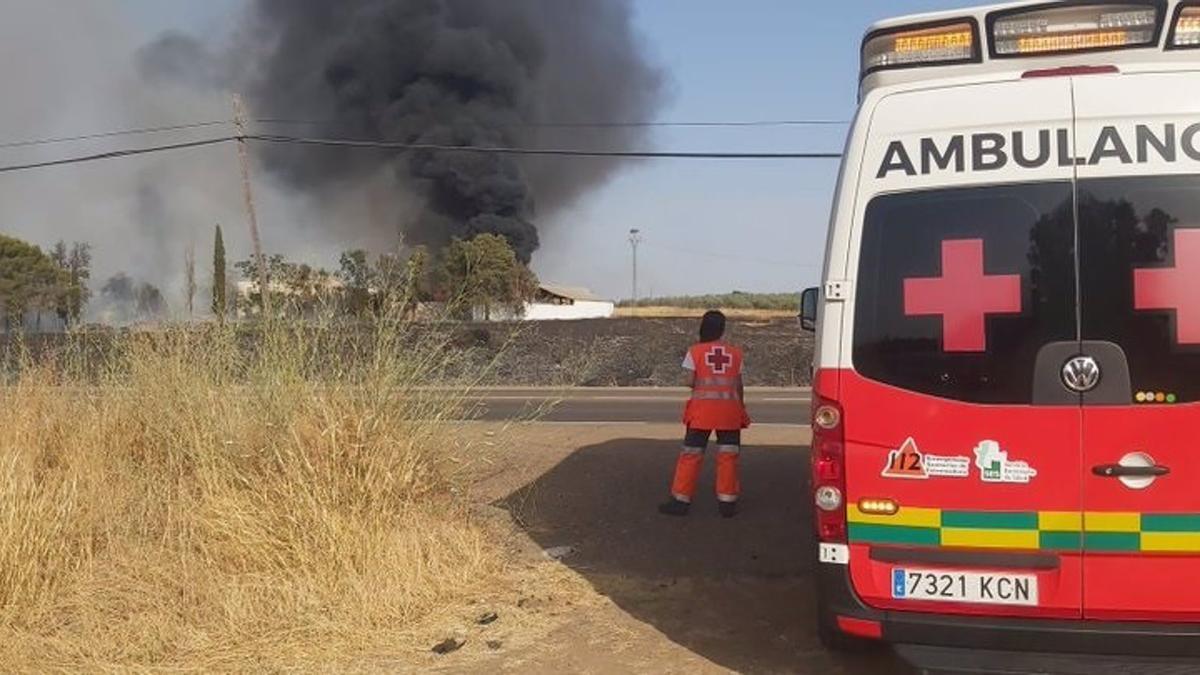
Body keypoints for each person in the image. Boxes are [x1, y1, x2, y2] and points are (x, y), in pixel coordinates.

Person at [659, 310, 751, 518]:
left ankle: (680, 501)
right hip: (729, 414)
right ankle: (727, 503)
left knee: (691, 455)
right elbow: (738, 385)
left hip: (701, 413)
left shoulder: (695, 351)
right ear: (722, 329)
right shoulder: (736, 353)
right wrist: (741, 409)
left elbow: (690, 381)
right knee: (728, 456)